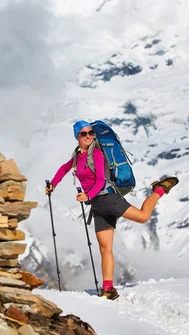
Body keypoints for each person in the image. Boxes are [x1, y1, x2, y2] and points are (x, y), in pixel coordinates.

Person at [46, 120, 179, 300]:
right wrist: (53, 184)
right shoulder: (77, 157)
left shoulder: (98, 154)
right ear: (77, 137)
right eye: (83, 134)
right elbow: (63, 169)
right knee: (104, 248)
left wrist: (87, 196)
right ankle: (108, 289)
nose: (88, 136)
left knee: (143, 216)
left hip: (107, 198)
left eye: (91, 133)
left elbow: (101, 180)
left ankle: (159, 189)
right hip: (98, 205)